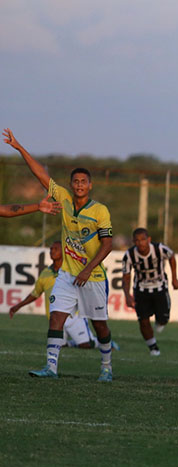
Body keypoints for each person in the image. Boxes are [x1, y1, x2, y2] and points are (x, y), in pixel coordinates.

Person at [4, 128, 116, 382]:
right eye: (75, 181)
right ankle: (51, 368)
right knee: (56, 319)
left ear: (90, 185)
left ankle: (107, 367)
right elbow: (40, 174)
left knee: (100, 327)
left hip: (94, 276)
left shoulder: (100, 211)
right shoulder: (63, 198)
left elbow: (107, 244)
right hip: (67, 275)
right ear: (70, 184)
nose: (78, 185)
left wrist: (88, 269)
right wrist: (20, 148)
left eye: (83, 182)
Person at [8, 240, 120, 351]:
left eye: (56, 249)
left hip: (73, 316)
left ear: (64, 252)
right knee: (59, 344)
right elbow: (35, 293)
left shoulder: (71, 272)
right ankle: (68, 344)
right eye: (51, 249)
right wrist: (18, 306)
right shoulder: (45, 272)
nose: (52, 251)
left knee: (86, 345)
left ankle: (104, 343)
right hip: (56, 317)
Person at [121, 227, 178, 356]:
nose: (140, 243)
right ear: (133, 242)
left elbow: (171, 256)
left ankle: (161, 321)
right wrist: (127, 295)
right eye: (137, 240)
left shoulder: (159, 249)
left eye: (143, 239)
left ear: (149, 240)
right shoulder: (129, 255)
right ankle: (153, 347)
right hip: (141, 289)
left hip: (159, 287)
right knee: (143, 320)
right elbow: (126, 276)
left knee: (163, 319)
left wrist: (174, 278)